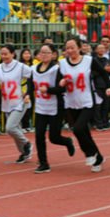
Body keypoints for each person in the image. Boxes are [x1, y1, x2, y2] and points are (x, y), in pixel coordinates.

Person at [59, 37, 110, 172]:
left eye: (72, 47)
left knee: (77, 129)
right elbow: (58, 80)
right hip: (71, 102)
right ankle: (98, 157)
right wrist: (61, 83)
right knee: (83, 132)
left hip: (87, 101)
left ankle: (89, 153)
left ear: (79, 47)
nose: (70, 50)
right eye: (67, 48)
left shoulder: (89, 61)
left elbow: (103, 73)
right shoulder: (62, 64)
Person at [32, 44, 75, 173]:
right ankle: (43, 163)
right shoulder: (34, 69)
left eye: (47, 52)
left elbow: (62, 88)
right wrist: (27, 95)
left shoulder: (57, 69)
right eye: (42, 52)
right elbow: (30, 85)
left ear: (53, 54)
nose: (44, 55)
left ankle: (67, 141)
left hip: (55, 107)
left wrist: (49, 90)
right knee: (39, 135)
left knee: (54, 137)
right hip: (40, 107)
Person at [0, 44, 33, 163]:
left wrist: (28, 93)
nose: (3, 56)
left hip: (20, 101)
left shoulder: (21, 67)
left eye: (6, 54)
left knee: (10, 128)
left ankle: (26, 143)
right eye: (2, 54)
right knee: (16, 128)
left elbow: (32, 79)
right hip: (6, 102)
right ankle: (24, 153)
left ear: (13, 54)